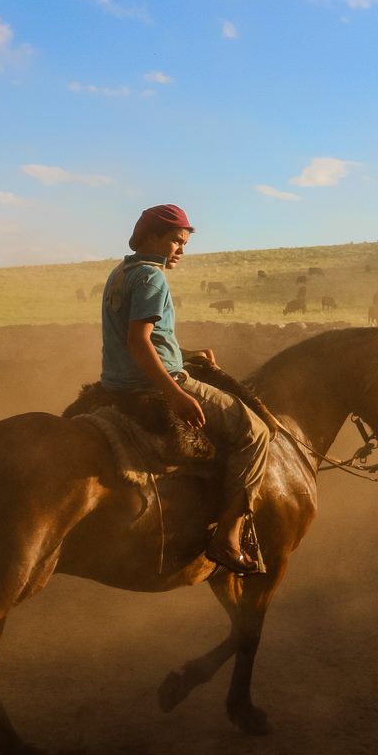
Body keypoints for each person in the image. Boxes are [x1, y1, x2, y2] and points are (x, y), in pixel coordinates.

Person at [100, 204, 271, 574]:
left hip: (117, 383)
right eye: (175, 241)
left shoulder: (121, 272)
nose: (181, 250)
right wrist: (176, 393)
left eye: (184, 242)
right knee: (257, 433)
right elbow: (138, 341)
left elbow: (145, 339)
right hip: (151, 385)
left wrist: (185, 353)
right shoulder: (152, 278)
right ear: (150, 237)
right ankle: (227, 536)